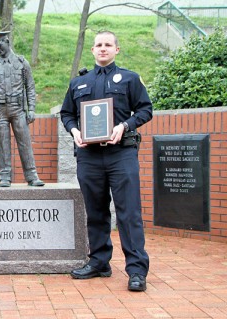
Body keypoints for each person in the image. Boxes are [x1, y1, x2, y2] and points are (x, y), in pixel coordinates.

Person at [60, 30, 152, 291]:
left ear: (116, 50)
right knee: (96, 211)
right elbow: (67, 114)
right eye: (98, 45)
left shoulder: (130, 79)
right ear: (92, 50)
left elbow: (146, 109)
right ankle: (99, 262)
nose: (103, 48)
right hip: (89, 156)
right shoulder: (78, 83)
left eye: (108, 44)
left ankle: (136, 270)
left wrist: (125, 125)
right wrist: (75, 130)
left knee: (128, 212)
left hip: (121, 154)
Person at [0, 31, 44, 187]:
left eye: (0, 46)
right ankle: (5, 176)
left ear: (7, 41)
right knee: (2, 143)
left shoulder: (22, 63)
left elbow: (30, 86)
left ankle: (32, 176)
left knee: (24, 142)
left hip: (18, 109)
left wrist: (31, 109)